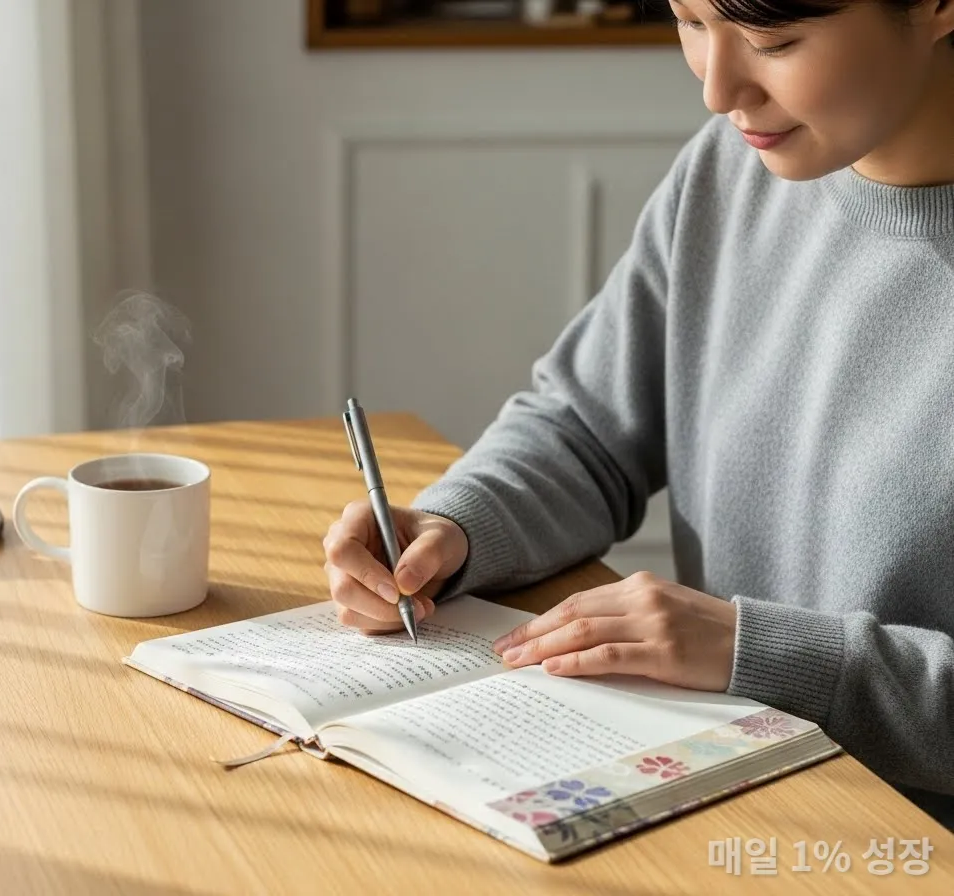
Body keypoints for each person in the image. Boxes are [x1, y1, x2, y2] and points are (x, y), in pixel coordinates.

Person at [321, 0, 954, 829]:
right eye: (689, 21)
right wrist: (454, 526)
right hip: (730, 801)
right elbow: (584, 430)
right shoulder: (729, 173)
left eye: (772, 41)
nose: (717, 90)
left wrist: (760, 655)